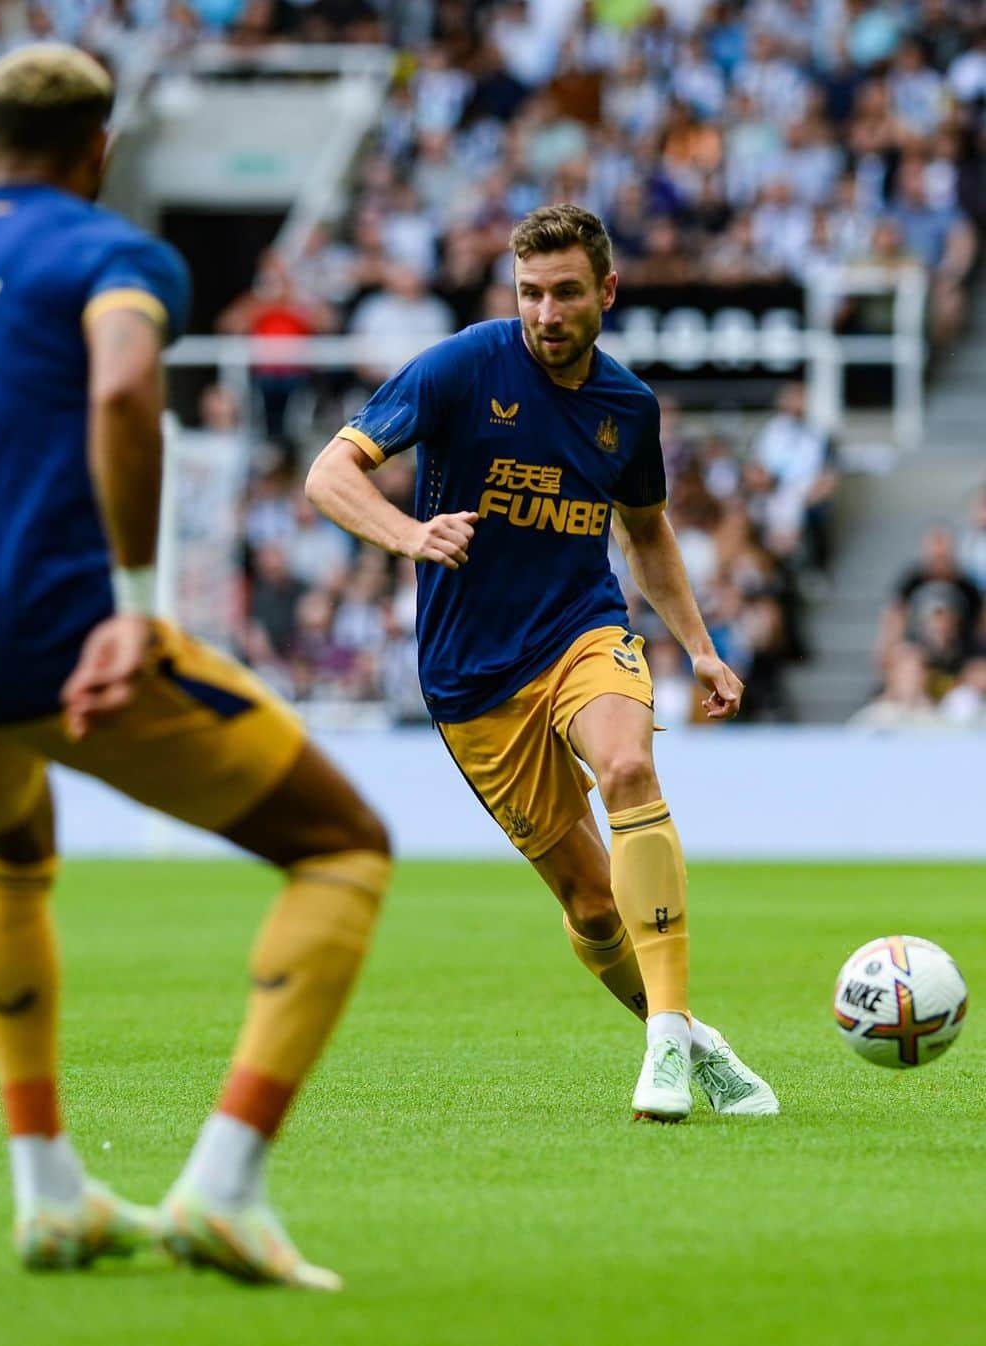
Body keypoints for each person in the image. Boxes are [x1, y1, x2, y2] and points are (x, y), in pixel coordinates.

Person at [0, 45, 390, 1288]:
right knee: (342, 847)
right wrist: (130, 603)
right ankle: (222, 1188)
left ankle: (50, 1191)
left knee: (14, 852)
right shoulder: (113, 254)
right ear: (101, 148)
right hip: (52, 635)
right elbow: (124, 386)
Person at [307, 203, 778, 1123]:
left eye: (565, 293)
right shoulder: (461, 366)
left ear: (606, 291)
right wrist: (410, 533)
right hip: (472, 682)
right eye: (529, 294)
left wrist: (701, 649)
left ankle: (667, 1039)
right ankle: (685, 1035)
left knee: (630, 765)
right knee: (593, 906)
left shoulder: (627, 408)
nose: (546, 314)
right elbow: (331, 472)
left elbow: (645, 533)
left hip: (581, 634)